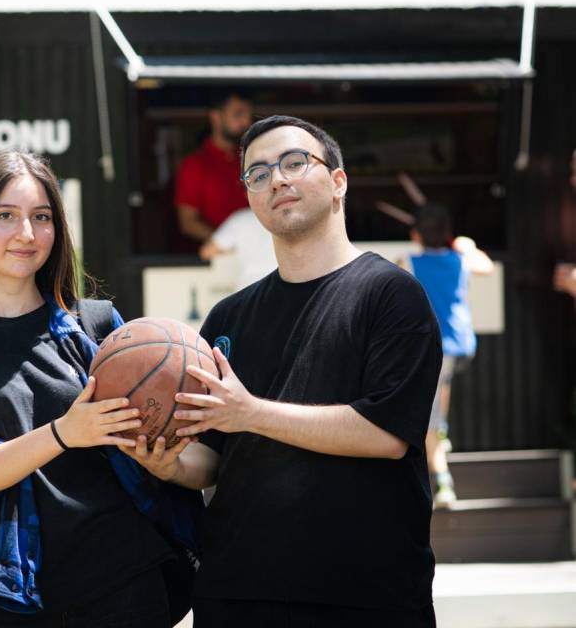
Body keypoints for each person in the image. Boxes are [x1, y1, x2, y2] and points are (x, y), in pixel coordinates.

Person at [123, 116, 441, 627]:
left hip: (364, 593)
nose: (277, 179)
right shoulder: (229, 317)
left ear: (338, 182)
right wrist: (170, 466)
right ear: (250, 197)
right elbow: (214, 455)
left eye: (294, 162)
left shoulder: (391, 294)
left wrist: (250, 412)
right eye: (258, 173)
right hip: (236, 593)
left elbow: (386, 435)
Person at [0, 151, 200, 628]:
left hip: (121, 579)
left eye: (42, 217)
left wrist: (162, 453)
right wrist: (64, 433)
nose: (27, 234)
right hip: (8, 592)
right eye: (5, 216)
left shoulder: (96, 326)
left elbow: (171, 441)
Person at [398, 204, 494, 507]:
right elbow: (486, 266)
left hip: (432, 348)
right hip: (460, 346)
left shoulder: (408, 262)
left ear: (416, 234)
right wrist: (466, 245)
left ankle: (442, 480)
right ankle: (442, 434)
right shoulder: (460, 259)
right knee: (441, 390)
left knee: (429, 415)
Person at [174, 91, 254, 245]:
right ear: (216, 116)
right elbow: (188, 222)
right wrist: (229, 244)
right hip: (218, 254)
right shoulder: (195, 164)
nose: (246, 122)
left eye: (248, 115)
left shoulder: (253, 158)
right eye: (238, 114)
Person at [197, 206, 277, 291]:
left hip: (249, 287)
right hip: (281, 287)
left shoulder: (241, 218)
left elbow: (207, 252)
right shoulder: (284, 217)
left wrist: (233, 250)